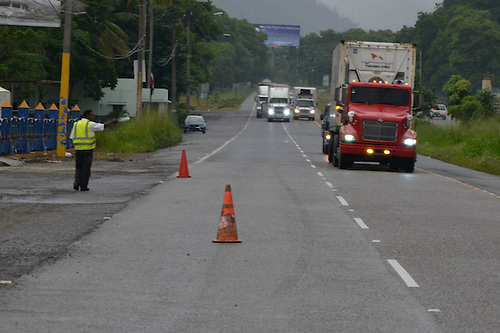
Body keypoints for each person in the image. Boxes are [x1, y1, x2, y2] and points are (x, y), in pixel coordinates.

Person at [69, 110, 118, 191]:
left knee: (78, 167)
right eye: (92, 115)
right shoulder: (89, 124)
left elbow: (72, 137)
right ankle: (84, 186)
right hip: (87, 150)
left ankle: (76, 183)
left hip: (78, 150)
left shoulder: (76, 124)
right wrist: (112, 122)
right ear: (87, 116)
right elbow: (102, 126)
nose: (93, 117)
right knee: (86, 168)